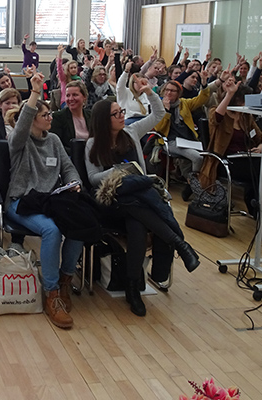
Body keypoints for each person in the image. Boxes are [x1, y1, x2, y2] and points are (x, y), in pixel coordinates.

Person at [85, 91, 199, 317]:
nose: (121, 116)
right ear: (103, 120)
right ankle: (178, 243)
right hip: (111, 202)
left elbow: (158, 113)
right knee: (134, 203)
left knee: (136, 223)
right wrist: (118, 173)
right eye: (116, 114)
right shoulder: (93, 143)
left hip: (137, 201)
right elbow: (92, 178)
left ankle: (133, 287)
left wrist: (149, 91)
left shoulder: (132, 131)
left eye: (121, 112)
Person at [5, 72, 83, 329]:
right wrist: (35, 93)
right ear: (32, 120)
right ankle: (51, 293)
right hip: (22, 201)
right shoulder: (20, 140)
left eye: (50, 114)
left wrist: (74, 183)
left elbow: (68, 167)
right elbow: (22, 122)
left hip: (51, 200)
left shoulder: (55, 140)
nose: (51, 118)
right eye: (45, 115)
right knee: (52, 230)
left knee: (79, 223)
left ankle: (64, 279)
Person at [197, 79, 262, 248]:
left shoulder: (245, 116)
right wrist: (229, 93)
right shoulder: (218, 112)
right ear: (238, 99)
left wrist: (261, 145)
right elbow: (217, 117)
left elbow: (260, 136)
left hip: (247, 159)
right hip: (226, 162)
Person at [50, 80, 91, 155]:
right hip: (70, 158)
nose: (71, 99)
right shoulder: (58, 117)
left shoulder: (91, 115)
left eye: (75, 95)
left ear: (84, 97)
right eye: (68, 95)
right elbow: (56, 145)